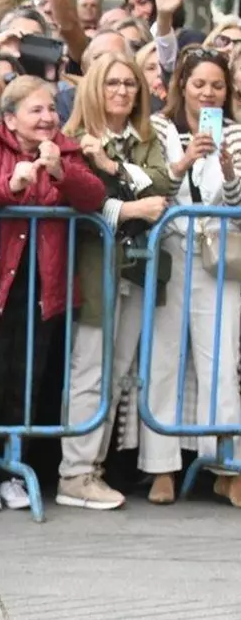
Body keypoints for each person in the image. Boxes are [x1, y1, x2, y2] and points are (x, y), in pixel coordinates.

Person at [0, 76, 106, 511]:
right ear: (10, 118)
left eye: (51, 109)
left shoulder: (66, 150)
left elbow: (93, 195)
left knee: (25, 382)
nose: (47, 117)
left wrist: (60, 171)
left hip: (44, 283)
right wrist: (11, 185)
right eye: (36, 110)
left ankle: (12, 470)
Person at [57, 54, 174, 508]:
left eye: (130, 83)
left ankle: (93, 468)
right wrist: (126, 210)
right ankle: (75, 471)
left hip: (138, 268)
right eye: (112, 83)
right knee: (89, 368)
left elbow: (162, 188)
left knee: (118, 372)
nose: (122, 91)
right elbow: (77, 198)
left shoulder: (146, 138)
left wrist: (113, 167)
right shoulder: (73, 136)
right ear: (94, 89)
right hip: (92, 265)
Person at [150, 47, 241, 507]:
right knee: (162, 359)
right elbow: (152, 186)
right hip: (167, 252)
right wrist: (185, 160)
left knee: (221, 360)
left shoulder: (236, 134)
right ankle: (161, 467)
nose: (208, 93)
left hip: (217, 257)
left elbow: (237, 202)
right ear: (181, 84)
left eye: (217, 86)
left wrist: (229, 173)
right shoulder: (158, 128)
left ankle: (226, 464)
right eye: (199, 83)